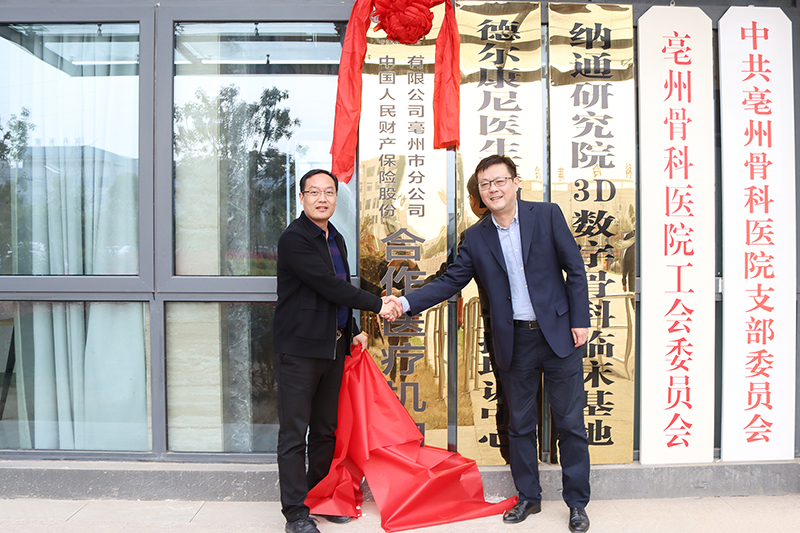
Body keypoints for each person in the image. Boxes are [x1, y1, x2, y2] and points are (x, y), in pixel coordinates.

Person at [385, 155, 592, 533]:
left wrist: (580, 319)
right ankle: (529, 497)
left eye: (499, 181)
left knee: (570, 424)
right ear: (479, 193)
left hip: (560, 336)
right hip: (515, 340)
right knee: (520, 425)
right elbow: (450, 281)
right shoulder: (477, 237)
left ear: (516, 182)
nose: (493, 189)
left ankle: (577, 503)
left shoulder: (547, 215)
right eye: (485, 184)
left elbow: (575, 269)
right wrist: (405, 303)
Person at [273, 169, 397, 533]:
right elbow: (327, 285)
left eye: (329, 192)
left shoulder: (335, 237)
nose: (322, 198)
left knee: (326, 430)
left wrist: (353, 330)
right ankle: (296, 513)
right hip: (300, 350)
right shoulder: (294, 239)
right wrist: (379, 304)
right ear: (302, 198)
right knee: (294, 434)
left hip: (334, 347)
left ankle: (321, 497)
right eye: (314, 192)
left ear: (335, 198)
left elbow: (341, 288)